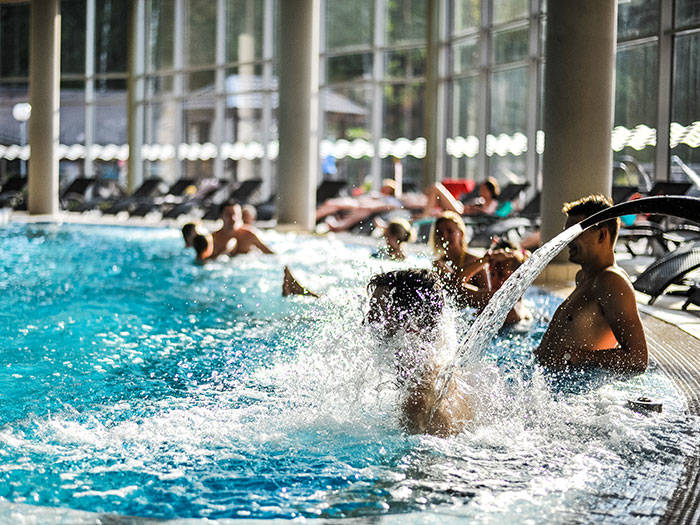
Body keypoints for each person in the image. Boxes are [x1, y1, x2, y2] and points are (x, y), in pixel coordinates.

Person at [535, 194, 648, 372]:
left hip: (571, 392)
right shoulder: (584, 277)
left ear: (602, 235)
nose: (567, 241)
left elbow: (638, 359)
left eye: (574, 234)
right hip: (549, 383)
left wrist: (579, 357)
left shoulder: (611, 281)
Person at [365, 269, 474, 437]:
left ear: (410, 322)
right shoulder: (443, 376)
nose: (367, 321)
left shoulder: (419, 401)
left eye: (376, 311)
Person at [430, 211, 528, 324]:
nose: (444, 236)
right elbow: (453, 286)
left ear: (461, 233)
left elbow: (485, 296)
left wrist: (485, 259)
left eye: (450, 231)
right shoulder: (439, 264)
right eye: (440, 232)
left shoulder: (476, 262)